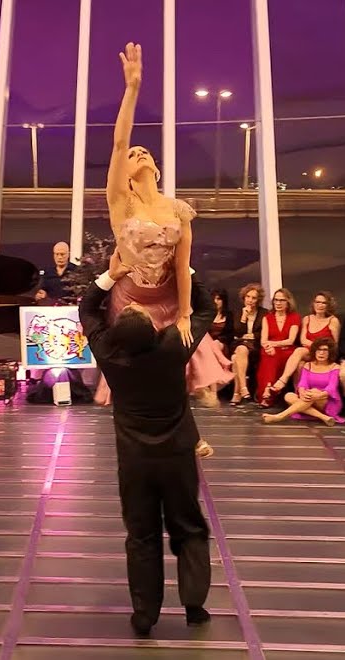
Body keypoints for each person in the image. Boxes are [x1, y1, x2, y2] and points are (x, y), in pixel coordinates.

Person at [78, 251, 216, 638]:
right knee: (189, 528)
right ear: (155, 329)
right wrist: (183, 266)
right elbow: (203, 307)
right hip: (176, 458)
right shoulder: (173, 346)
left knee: (141, 535)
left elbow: (86, 307)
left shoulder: (110, 354)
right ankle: (194, 604)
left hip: (135, 461)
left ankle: (144, 614)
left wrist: (111, 274)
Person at [95, 42, 232, 408]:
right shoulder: (121, 202)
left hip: (170, 294)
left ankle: (184, 430)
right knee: (141, 373)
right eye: (131, 155)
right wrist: (132, 89)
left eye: (144, 152)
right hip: (133, 298)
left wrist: (186, 313)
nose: (136, 153)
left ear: (155, 166)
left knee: (183, 371)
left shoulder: (178, 210)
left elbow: (182, 265)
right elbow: (119, 140)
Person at [261, 337, 345, 426]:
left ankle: (279, 416)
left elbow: (332, 388)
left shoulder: (334, 367)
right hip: (309, 398)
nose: (321, 353)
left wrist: (319, 394)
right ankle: (323, 417)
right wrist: (302, 392)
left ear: (330, 352)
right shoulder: (307, 365)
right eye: (318, 350)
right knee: (289, 396)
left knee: (313, 392)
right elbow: (303, 383)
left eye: (325, 350)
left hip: (327, 400)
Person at [255, 289, 300, 407]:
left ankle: (268, 392)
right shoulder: (267, 318)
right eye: (276, 300)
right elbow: (263, 341)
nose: (278, 303)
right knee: (270, 355)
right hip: (270, 349)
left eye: (282, 300)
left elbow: (290, 340)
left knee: (272, 355)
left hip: (287, 350)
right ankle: (268, 389)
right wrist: (269, 346)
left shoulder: (294, 317)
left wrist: (272, 344)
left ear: (288, 302)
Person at [229, 283, 266, 404]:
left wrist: (254, 335)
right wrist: (244, 317)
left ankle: (237, 392)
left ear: (258, 300)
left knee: (235, 358)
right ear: (244, 298)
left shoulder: (264, 313)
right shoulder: (237, 313)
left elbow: (265, 332)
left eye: (254, 298)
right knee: (240, 350)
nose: (250, 300)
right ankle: (243, 388)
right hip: (239, 344)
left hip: (255, 346)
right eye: (248, 297)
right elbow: (238, 332)